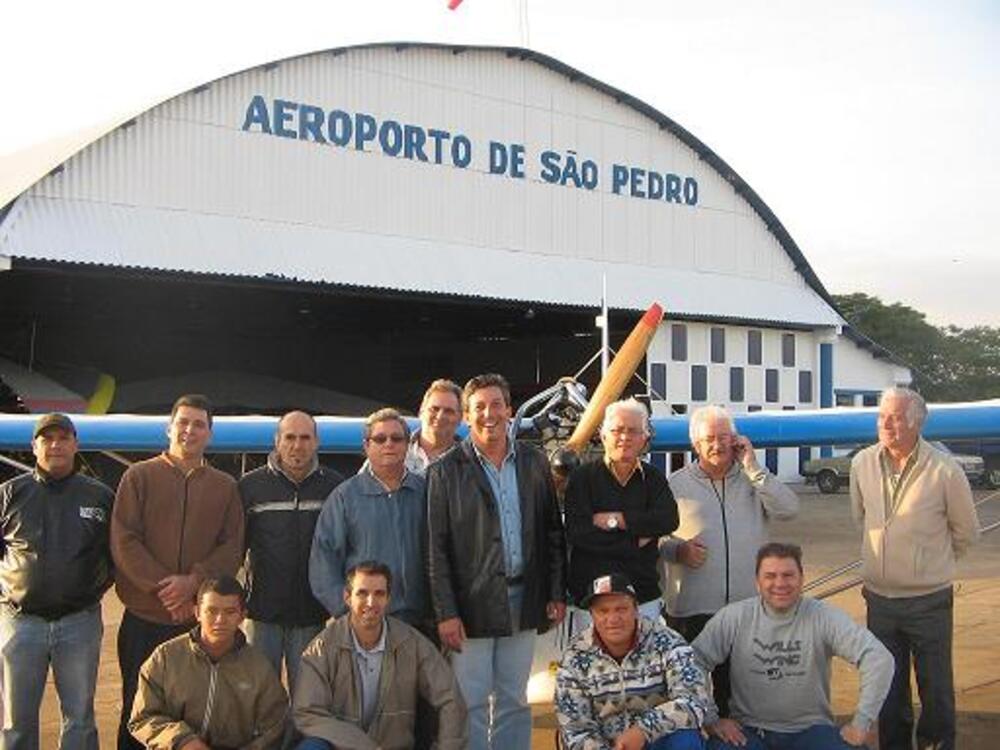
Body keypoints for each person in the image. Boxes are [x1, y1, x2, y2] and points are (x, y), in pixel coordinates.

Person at [427, 372, 567, 750]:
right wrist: (446, 612)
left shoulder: (536, 463)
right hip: (470, 607)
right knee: (469, 702)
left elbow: (553, 532)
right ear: (467, 417)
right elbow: (435, 549)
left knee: (514, 700)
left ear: (509, 410)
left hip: (524, 601)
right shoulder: (443, 472)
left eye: (496, 405)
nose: (489, 414)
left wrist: (555, 591)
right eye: (479, 407)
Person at [111, 394, 245, 750]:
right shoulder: (137, 477)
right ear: (169, 427)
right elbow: (124, 540)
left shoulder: (225, 487)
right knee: (136, 709)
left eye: (199, 424)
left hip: (195, 622)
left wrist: (194, 584)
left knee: (194, 713)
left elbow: (232, 546)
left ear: (210, 434)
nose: (190, 430)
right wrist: (165, 589)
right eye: (183, 422)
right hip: (143, 618)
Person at [850, 387, 980, 750]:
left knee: (935, 690)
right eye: (882, 417)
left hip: (929, 603)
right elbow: (861, 518)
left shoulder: (945, 470)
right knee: (888, 690)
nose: (887, 424)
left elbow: (966, 532)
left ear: (917, 423)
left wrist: (927, 563)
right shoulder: (861, 463)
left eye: (896, 418)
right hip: (879, 600)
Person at [662, 405, 799, 713]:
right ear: (695, 444)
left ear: (736, 440)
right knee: (689, 693)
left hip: (746, 609)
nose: (718, 444)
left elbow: (789, 509)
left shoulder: (755, 479)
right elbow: (655, 539)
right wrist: (678, 550)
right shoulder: (674, 485)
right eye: (709, 438)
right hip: (691, 609)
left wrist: (753, 467)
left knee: (740, 698)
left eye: (724, 436)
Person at [693, 543, 893, 750]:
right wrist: (710, 718)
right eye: (770, 576)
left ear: (801, 579)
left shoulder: (824, 616)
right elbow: (693, 662)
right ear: (757, 582)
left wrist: (862, 722)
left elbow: (878, 658)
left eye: (788, 575)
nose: (780, 583)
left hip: (811, 731)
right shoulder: (734, 617)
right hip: (749, 731)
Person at [0, 413, 114, 749]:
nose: (55, 445)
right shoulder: (9, 494)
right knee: (16, 722)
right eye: (47, 438)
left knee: (79, 719)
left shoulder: (100, 496)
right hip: (21, 623)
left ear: (76, 445)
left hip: (79, 623)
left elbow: (116, 553)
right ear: (33, 446)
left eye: (64, 438)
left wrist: (90, 591)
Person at [293, 561, 467, 750]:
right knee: (311, 747)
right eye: (362, 593)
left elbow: (450, 698)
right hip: (341, 748)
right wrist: (363, 745)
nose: (371, 602)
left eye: (379, 594)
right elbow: (307, 713)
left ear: (388, 599)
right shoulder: (322, 649)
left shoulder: (412, 643)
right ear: (347, 597)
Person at [240, 410, 344, 687]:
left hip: (312, 616)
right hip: (262, 615)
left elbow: (343, 548)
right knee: (260, 697)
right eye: (290, 437)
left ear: (317, 442)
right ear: (277, 441)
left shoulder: (334, 487)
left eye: (305, 437)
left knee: (309, 696)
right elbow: (235, 549)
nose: (297, 445)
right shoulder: (250, 487)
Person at [129, 576, 288, 750]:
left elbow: (275, 727)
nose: (220, 620)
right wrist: (183, 741)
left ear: (242, 616)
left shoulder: (259, 668)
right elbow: (143, 718)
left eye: (230, 612)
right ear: (197, 613)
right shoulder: (166, 658)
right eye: (211, 611)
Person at [555, 573, 710, 750]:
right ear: (592, 615)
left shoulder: (669, 642)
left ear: (636, 609)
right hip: (606, 745)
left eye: (621, 609)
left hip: (657, 741)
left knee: (685, 738)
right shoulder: (574, 658)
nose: (613, 619)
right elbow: (575, 729)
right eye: (603, 611)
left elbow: (694, 701)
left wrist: (643, 730)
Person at [565, 398, 678, 630]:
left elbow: (668, 519)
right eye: (617, 430)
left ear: (644, 437)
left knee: (645, 665)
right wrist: (638, 539)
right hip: (593, 600)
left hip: (643, 597)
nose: (625, 437)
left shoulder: (654, 478)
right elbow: (580, 534)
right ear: (603, 435)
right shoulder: (581, 478)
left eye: (633, 431)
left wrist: (619, 520)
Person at [310, 408, 428, 627]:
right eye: (380, 439)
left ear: (407, 445)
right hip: (364, 622)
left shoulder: (425, 492)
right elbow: (323, 560)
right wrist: (345, 610)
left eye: (396, 438)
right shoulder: (345, 497)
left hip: (419, 622)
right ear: (367, 446)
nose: (389, 444)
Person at [407, 379, 463, 474]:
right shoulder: (394, 449)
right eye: (434, 409)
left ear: (460, 419)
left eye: (449, 411)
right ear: (421, 411)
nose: (440, 416)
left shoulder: (471, 463)